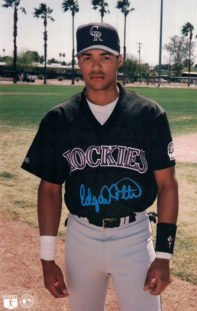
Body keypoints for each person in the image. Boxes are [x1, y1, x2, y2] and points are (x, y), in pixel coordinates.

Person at [21, 23, 179, 311]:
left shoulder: (148, 114)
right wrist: (47, 259)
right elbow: (50, 190)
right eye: (87, 56)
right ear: (78, 60)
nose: (96, 66)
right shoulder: (59, 119)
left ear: (119, 59)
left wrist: (164, 255)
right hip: (81, 237)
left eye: (105, 56)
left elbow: (168, 184)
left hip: (133, 235)